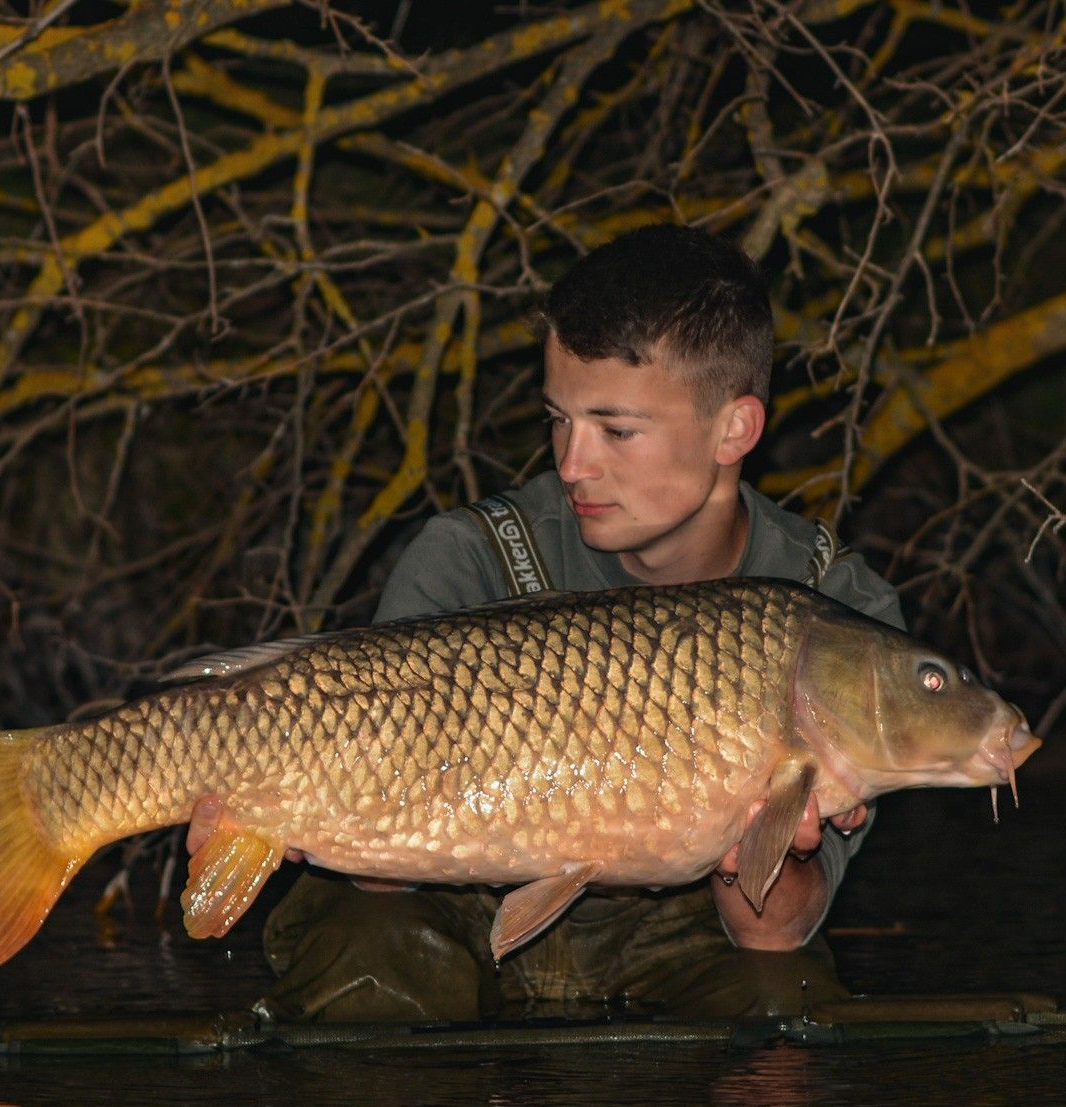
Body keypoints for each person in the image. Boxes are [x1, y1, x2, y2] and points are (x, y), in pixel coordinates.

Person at [255, 225, 904, 1025]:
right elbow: (383, 876)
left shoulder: (836, 616)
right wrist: (297, 811)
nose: (572, 464)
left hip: (676, 931)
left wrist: (767, 847)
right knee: (371, 951)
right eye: (559, 419)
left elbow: (771, 938)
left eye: (615, 431)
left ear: (734, 429)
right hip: (449, 907)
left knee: (784, 1008)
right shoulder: (470, 559)